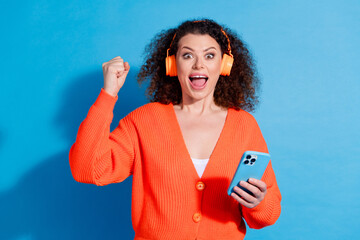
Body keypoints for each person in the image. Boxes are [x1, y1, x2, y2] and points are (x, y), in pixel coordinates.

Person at [69, 19, 281, 239]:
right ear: (173, 65)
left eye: (209, 55)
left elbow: (269, 214)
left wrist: (258, 203)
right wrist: (108, 95)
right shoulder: (144, 121)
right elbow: (88, 169)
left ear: (224, 65)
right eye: (187, 55)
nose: (199, 65)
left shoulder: (244, 125)